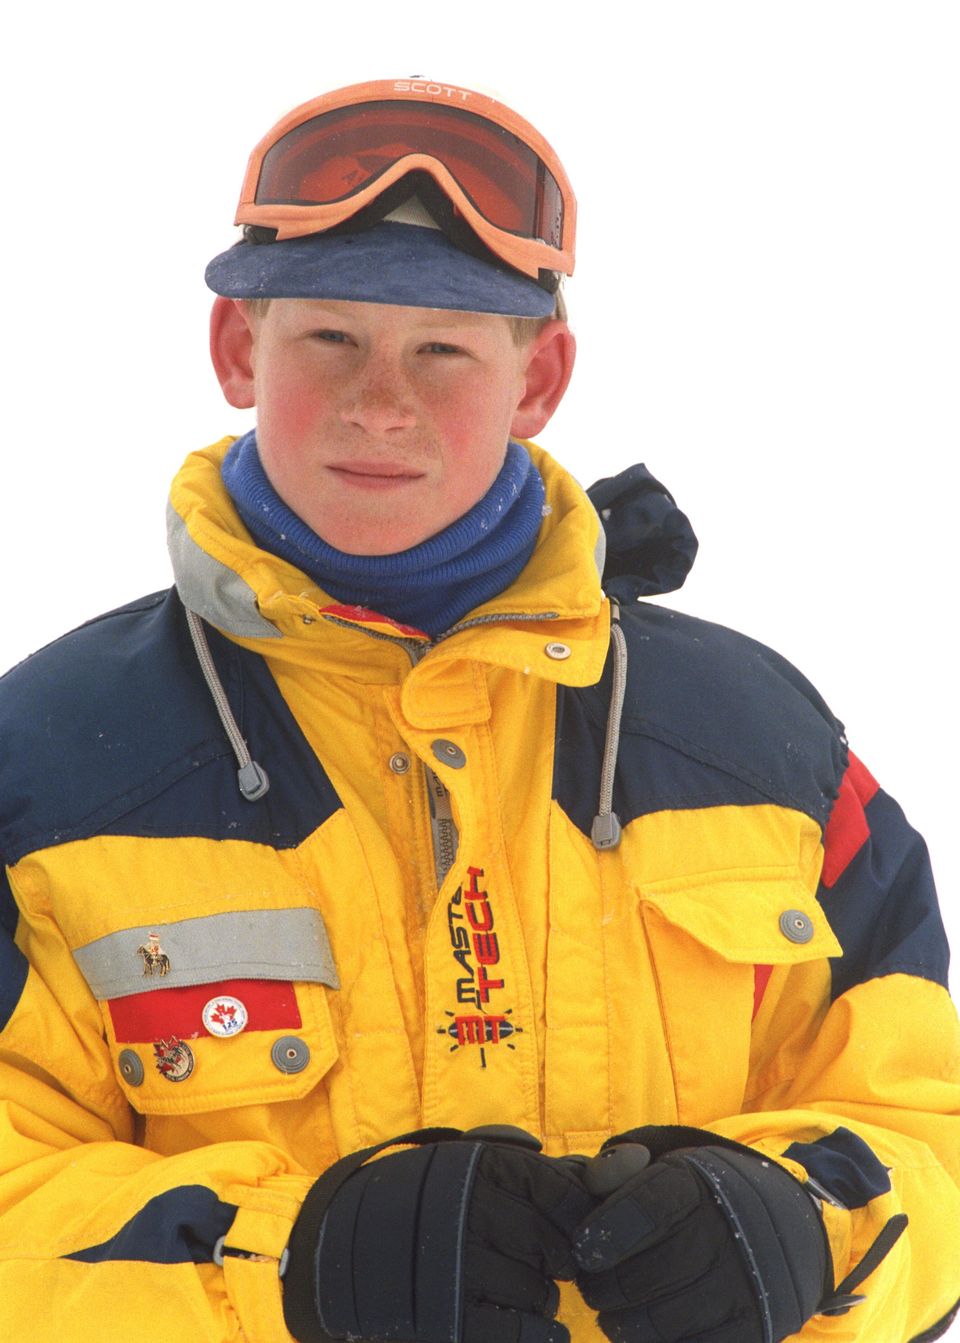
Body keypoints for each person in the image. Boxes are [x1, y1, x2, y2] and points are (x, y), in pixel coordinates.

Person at [0, 76, 957, 1343]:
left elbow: (924, 1124)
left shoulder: (761, 742)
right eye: (329, 338)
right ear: (239, 350)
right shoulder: (48, 762)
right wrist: (291, 1265)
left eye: (443, 347)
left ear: (539, 377)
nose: (381, 402)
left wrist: (806, 1226)